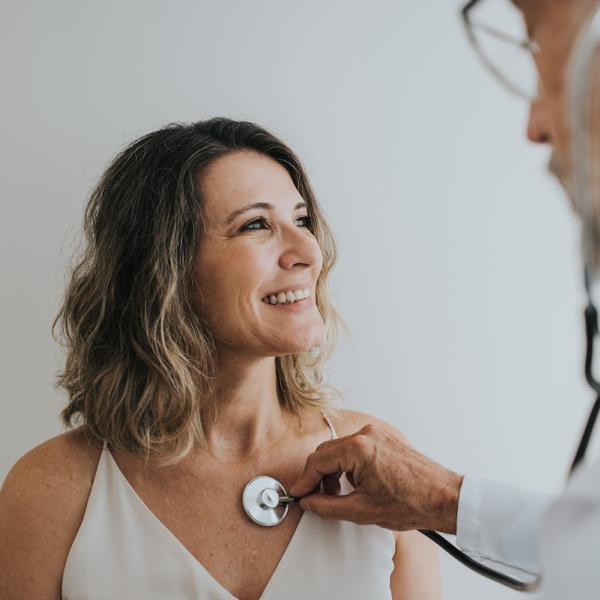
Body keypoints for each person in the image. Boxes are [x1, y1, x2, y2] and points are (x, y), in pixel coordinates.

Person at [0, 118, 442, 599]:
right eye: (256, 225)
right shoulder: (52, 490)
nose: (307, 252)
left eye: (301, 220)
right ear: (165, 271)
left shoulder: (379, 467)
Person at [289, 1, 600, 597]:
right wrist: (445, 500)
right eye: (253, 225)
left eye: (538, 52)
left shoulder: (367, 433)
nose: (535, 124)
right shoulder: (64, 482)